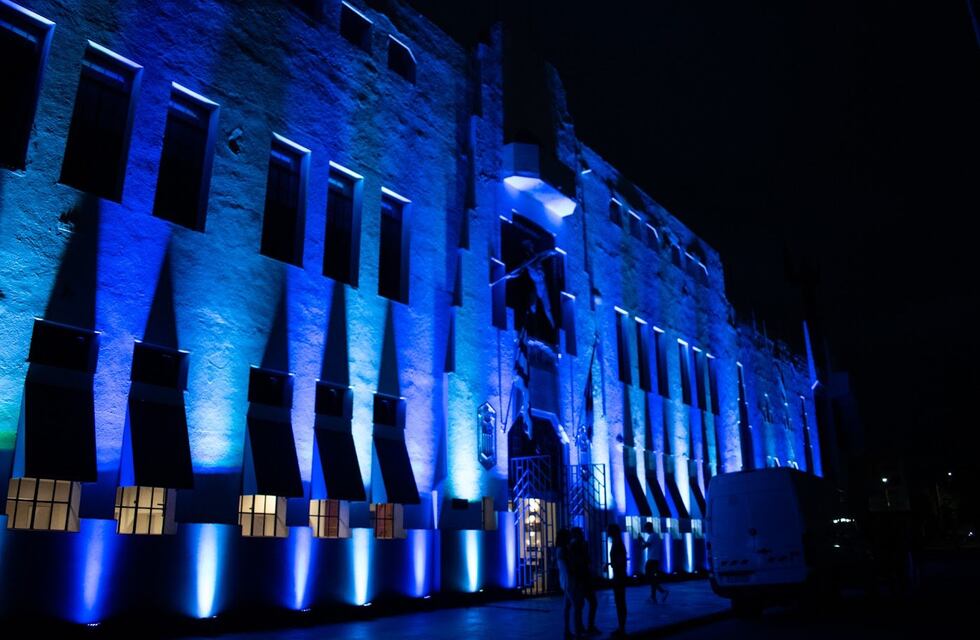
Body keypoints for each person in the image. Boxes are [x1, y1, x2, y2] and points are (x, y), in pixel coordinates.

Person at [570, 527, 600, 635]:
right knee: (585, 604)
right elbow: (585, 561)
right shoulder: (577, 546)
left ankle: (582, 628)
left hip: (581, 578)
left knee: (581, 605)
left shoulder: (577, 546)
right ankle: (584, 627)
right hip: (581, 578)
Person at [555, 528, 578, 639]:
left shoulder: (560, 550)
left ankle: (567, 630)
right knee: (575, 606)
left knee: (568, 606)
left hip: (565, 580)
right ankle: (575, 631)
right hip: (569, 580)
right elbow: (570, 566)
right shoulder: (564, 550)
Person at [606, 523, 628, 637]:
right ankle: (621, 627)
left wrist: (612, 564)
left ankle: (621, 628)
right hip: (619, 575)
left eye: (608, 530)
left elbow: (619, 561)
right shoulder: (618, 542)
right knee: (620, 601)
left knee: (620, 601)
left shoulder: (617, 543)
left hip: (618, 576)